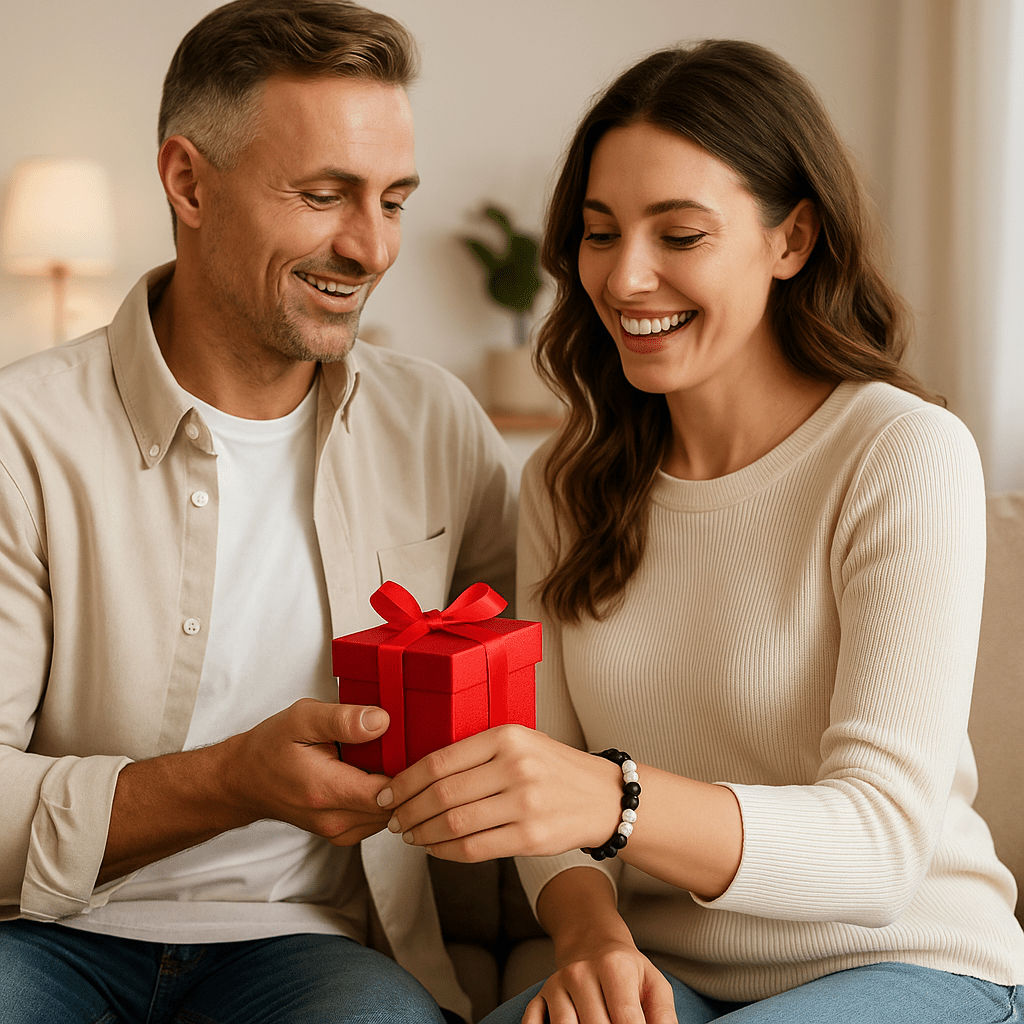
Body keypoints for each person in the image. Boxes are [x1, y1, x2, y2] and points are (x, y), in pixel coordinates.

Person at [379, 39, 1024, 1024]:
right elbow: (543, 777)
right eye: (600, 233)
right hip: (668, 972)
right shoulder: (569, 479)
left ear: (791, 239)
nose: (626, 278)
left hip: (909, 961)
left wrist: (616, 801)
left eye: (679, 235)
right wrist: (591, 934)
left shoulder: (901, 453)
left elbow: (881, 845)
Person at [0, 2, 516, 1022]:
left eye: (394, 199)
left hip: (311, 949)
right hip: (45, 934)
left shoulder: (439, 428)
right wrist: (231, 778)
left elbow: (535, 719)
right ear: (189, 182)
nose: (370, 247)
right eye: (325, 195)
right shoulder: (23, 434)